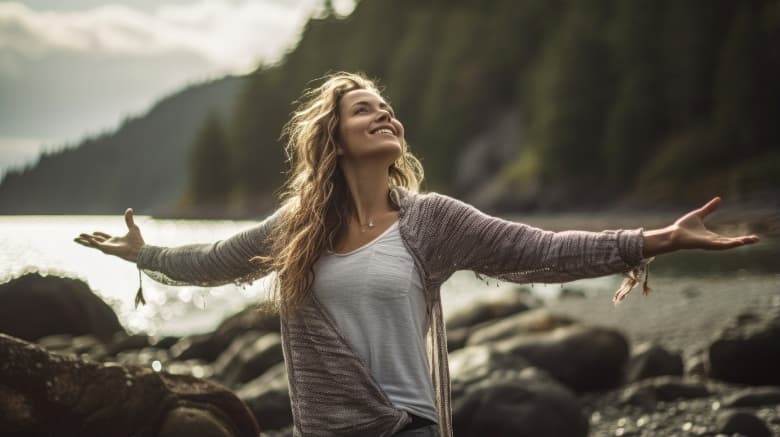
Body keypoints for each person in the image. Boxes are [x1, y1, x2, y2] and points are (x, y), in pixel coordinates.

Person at [74, 72, 759, 437]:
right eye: (364, 110)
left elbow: (543, 250)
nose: (385, 115)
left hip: (408, 426)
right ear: (335, 141)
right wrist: (146, 253)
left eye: (388, 108)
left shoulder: (431, 221)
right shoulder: (297, 228)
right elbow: (215, 260)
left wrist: (657, 239)